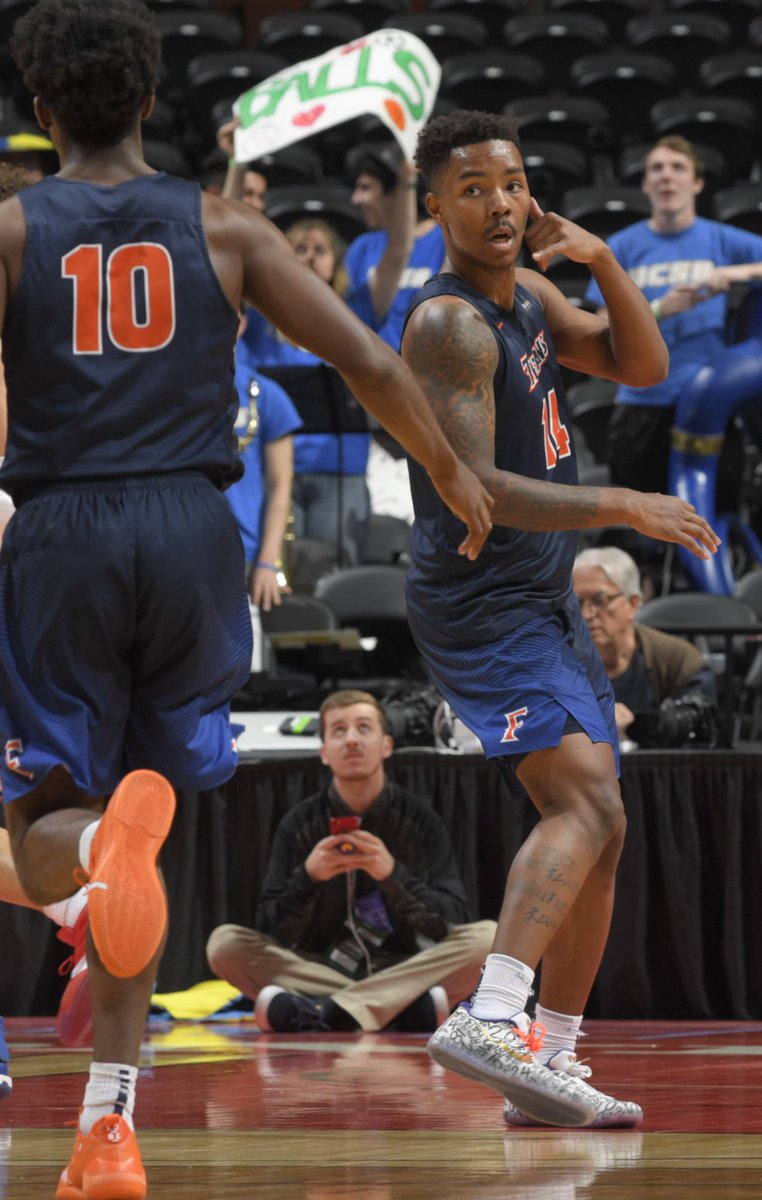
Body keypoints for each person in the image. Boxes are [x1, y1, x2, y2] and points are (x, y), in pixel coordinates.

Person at [0, 5, 492, 1197]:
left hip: (64, 528)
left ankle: (86, 885)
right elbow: (370, 363)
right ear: (154, 101)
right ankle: (109, 1135)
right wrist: (452, 472)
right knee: (142, 838)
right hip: (195, 533)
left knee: (46, 824)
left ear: (41, 112)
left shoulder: (12, 228)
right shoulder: (227, 225)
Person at [398, 109, 719, 1130]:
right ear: (435, 206)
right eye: (474, 188)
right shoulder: (447, 323)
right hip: (480, 595)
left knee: (608, 828)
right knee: (582, 805)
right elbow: (478, 487)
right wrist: (626, 503)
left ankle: (550, 1065)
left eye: (513, 183)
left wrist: (605, 260)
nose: (499, 204)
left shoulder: (531, 292)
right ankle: (493, 1013)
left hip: (539, 591)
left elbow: (643, 367)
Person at [206, 689, 496, 1033]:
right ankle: (397, 1010)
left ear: (386, 745)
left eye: (363, 728)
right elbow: (271, 930)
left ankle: (327, 1011)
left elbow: (451, 921)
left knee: (489, 940)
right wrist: (308, 877)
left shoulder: (420, 820)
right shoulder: (299, 824)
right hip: (319, 966)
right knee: (224, 945)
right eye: (339, 731)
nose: (352, 740)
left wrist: (392, 875)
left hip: (406, 965)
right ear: (324, 752)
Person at [584, 135, 762, 497]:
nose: (667, 176)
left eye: (678, 168)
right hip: (641, 405)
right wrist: (660, 310)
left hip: (707, 403)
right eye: (657, 169)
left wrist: (732, 274)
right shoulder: (621, 246)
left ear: (697, 182)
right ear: (646, 183)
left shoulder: (721, 239)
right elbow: (601, 330)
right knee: (640, 527)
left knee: (709, 521)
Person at [573, 546, 715, 743]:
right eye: (576, 603)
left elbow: (702, 720)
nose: (586, 614)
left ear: (632, 603)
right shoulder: (556, 660)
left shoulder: (676, 658)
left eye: (600, 600)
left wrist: (642, 725)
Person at [226, 320, 302, 611]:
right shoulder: (180, 393)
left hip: (249, 552)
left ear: (241, 323)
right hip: (191, 551)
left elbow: (280, 487)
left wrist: (269, 562)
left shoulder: (267, 395)